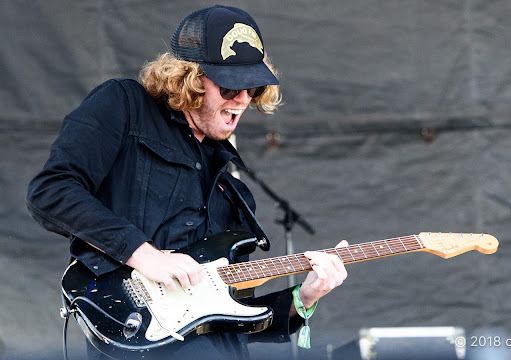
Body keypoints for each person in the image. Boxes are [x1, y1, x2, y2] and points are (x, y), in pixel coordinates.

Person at [26, 5, 348, 360]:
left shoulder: (234, 193)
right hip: (139, 338)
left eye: (252, 87)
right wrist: (144, 255)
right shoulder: (125, 105)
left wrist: (305, 298)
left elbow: (232, 317)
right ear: (189, 78)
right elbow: (51, 191)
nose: (242, 99)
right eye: (230, 86)